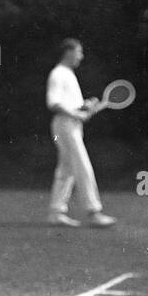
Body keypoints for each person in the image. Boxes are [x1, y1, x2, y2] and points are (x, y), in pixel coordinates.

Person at [46, 39, 116, 228]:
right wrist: (76, 113)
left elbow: (68, 103)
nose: (81, 56)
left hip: (70, 125)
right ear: (68, 52)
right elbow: (54, 103)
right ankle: (94, 212)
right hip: (65, 126)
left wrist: (85, 106)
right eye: (78, 52)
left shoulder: (68, 74)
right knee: (82, 166)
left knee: (66, 169)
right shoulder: (58, 74)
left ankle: (56, 212)